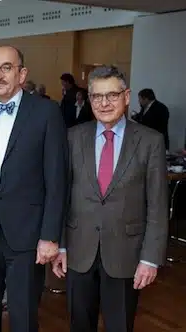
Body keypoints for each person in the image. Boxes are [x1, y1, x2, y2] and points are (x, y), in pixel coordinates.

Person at [52, 65, 168, 332]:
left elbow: (158, 205)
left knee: (120, 325)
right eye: (96, 96)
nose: (104, 103)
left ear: (126, 96)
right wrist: (61, 245)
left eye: (112, 95)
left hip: (126, 254)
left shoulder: (150, 141)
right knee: (79, 324)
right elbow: (61, 196)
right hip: (79, 252)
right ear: (89, 98)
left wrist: (150, 258)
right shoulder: (72, 138)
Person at [0, 45, 68, 331]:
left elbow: (57, 179)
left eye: (7, 67)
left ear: (22, 74)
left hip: (28, 236)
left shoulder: (47, 113)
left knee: (23, 317)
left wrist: (50, 236)